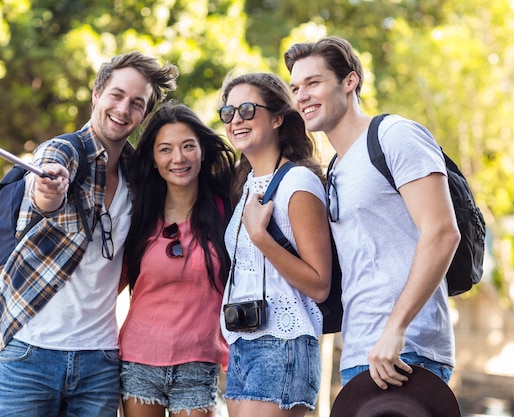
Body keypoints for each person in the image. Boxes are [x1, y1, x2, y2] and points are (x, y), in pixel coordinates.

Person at [0, 51, 178, 416]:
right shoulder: (63, 151)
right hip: (30, 353)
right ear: (97, 94)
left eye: (136, 103)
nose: (123, 109)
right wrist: (50, 191)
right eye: (117, 95)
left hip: (100, 362)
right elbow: (45, 184)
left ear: (143, 115)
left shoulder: (138, 176)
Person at [284, 36, 461, 390]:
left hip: (407, 351)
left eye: (313, 82)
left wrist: (396, 329)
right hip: (359, 354)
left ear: (350, 81)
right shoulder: (335, 168)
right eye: (295, 87)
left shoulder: (394, 135)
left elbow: (443, 232)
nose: (301, 95)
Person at [218, 72, 333, 417]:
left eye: (248, 110)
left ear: (278, 117)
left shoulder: (297, 182)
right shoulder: (247, 186)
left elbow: (320, 284)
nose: (236, 119)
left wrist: (260, 238)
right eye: (228, 112)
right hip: (241, 345)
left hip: (283, 344)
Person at [119, 101, 236, 417]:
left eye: (188, 146)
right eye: (166, 149)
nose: (178, 158)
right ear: (154, 160)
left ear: (201, 151)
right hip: (139, 358)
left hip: (199, 362)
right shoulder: (138, 215)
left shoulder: (227, 210)